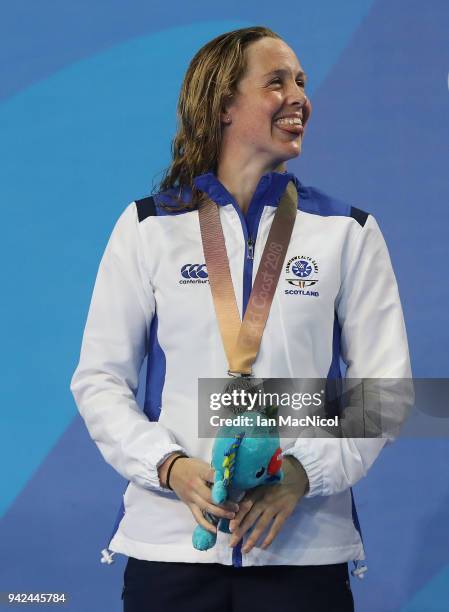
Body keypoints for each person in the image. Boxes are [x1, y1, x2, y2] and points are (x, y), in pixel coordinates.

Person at [70, 26, 412, 612]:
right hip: (173, 550)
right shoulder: (150, 227)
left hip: (302, 550)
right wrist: (168, 465)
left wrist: (302, 475)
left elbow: (385, 392)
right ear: (223, 104)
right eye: (276, 81)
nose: (300, 96)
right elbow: (99, 379)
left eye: (302, 82)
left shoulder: (348, 233)